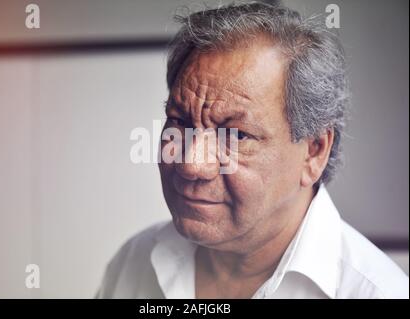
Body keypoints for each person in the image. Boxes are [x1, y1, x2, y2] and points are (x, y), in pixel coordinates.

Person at [97, 2, 409, 299]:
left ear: (314, 151)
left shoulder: (377, 291)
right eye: (178, 121)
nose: (191, 164)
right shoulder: (134, 261)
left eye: (235, 135)